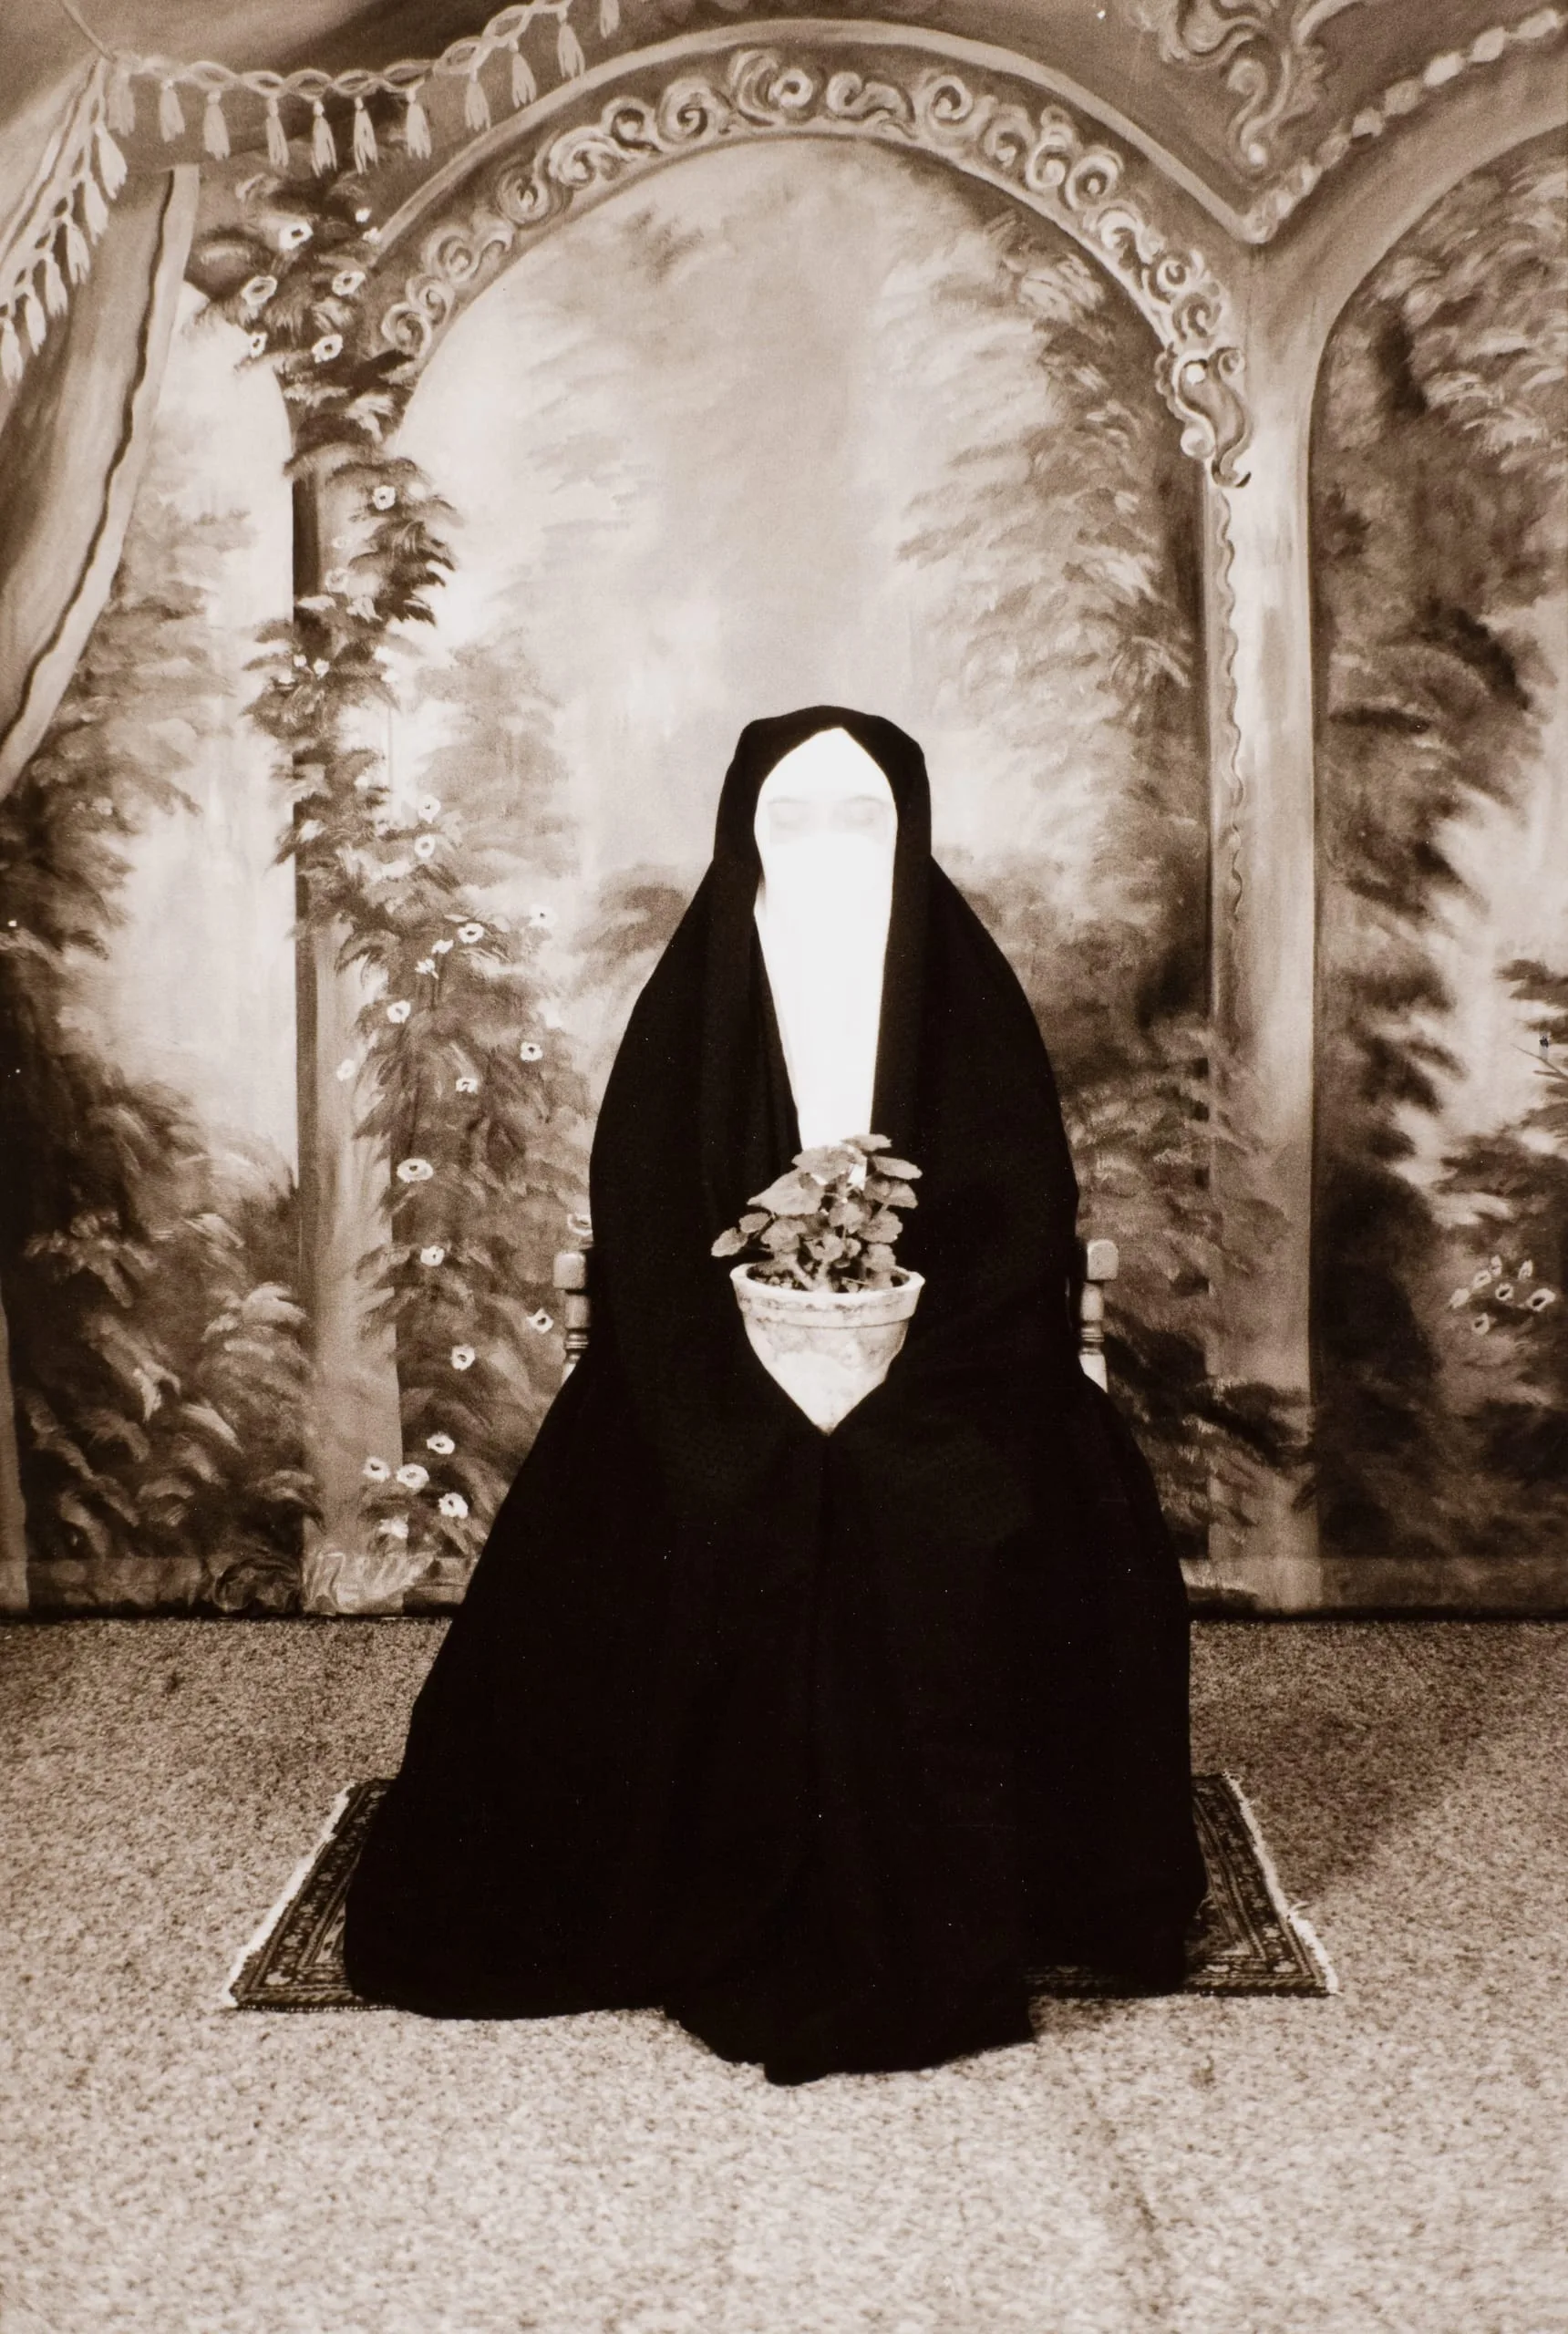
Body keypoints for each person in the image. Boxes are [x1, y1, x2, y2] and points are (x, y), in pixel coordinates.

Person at [343, 705, 1206, 2083]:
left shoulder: (968, 996)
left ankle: (993, 1883)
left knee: (950, 1504)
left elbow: (1016, 1232)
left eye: (860, 818)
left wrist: (899, 1393)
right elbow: (647, 1238)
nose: (826, 845)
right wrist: (751, 1400)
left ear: (909, 833)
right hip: (714, 1377)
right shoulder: (694, 1004)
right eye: (789, 818)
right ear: (743, 834)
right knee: (706, 1500)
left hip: (948, 1374)